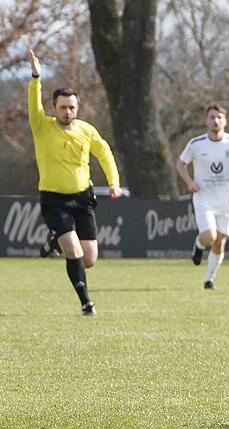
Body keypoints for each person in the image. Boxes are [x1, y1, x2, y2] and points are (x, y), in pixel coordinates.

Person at [27, 48, 121, 317]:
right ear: (54, 108)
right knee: (74, 249)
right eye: (62, 107)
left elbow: (104, 153)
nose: (67, 111)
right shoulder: (42, 127)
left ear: (77, 108)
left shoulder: (86, 130)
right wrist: (35, 76)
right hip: (54, 200)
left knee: (89, 258)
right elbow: (33, 103)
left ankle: (52, 243)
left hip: (82, 198)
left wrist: (113, 182)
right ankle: (86, 302)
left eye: (71, 107)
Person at [176, 103, 229, 289]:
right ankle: (199, 245)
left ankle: (209, 279)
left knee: (219, 242)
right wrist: (190, 182)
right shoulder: (196, 144)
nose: (215, 120)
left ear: (225, 121)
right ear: (206, 120)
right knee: (209, 236)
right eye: (212, 117)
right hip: (204, 197)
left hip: (225, 199)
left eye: (219, 117)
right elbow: (180, 164)